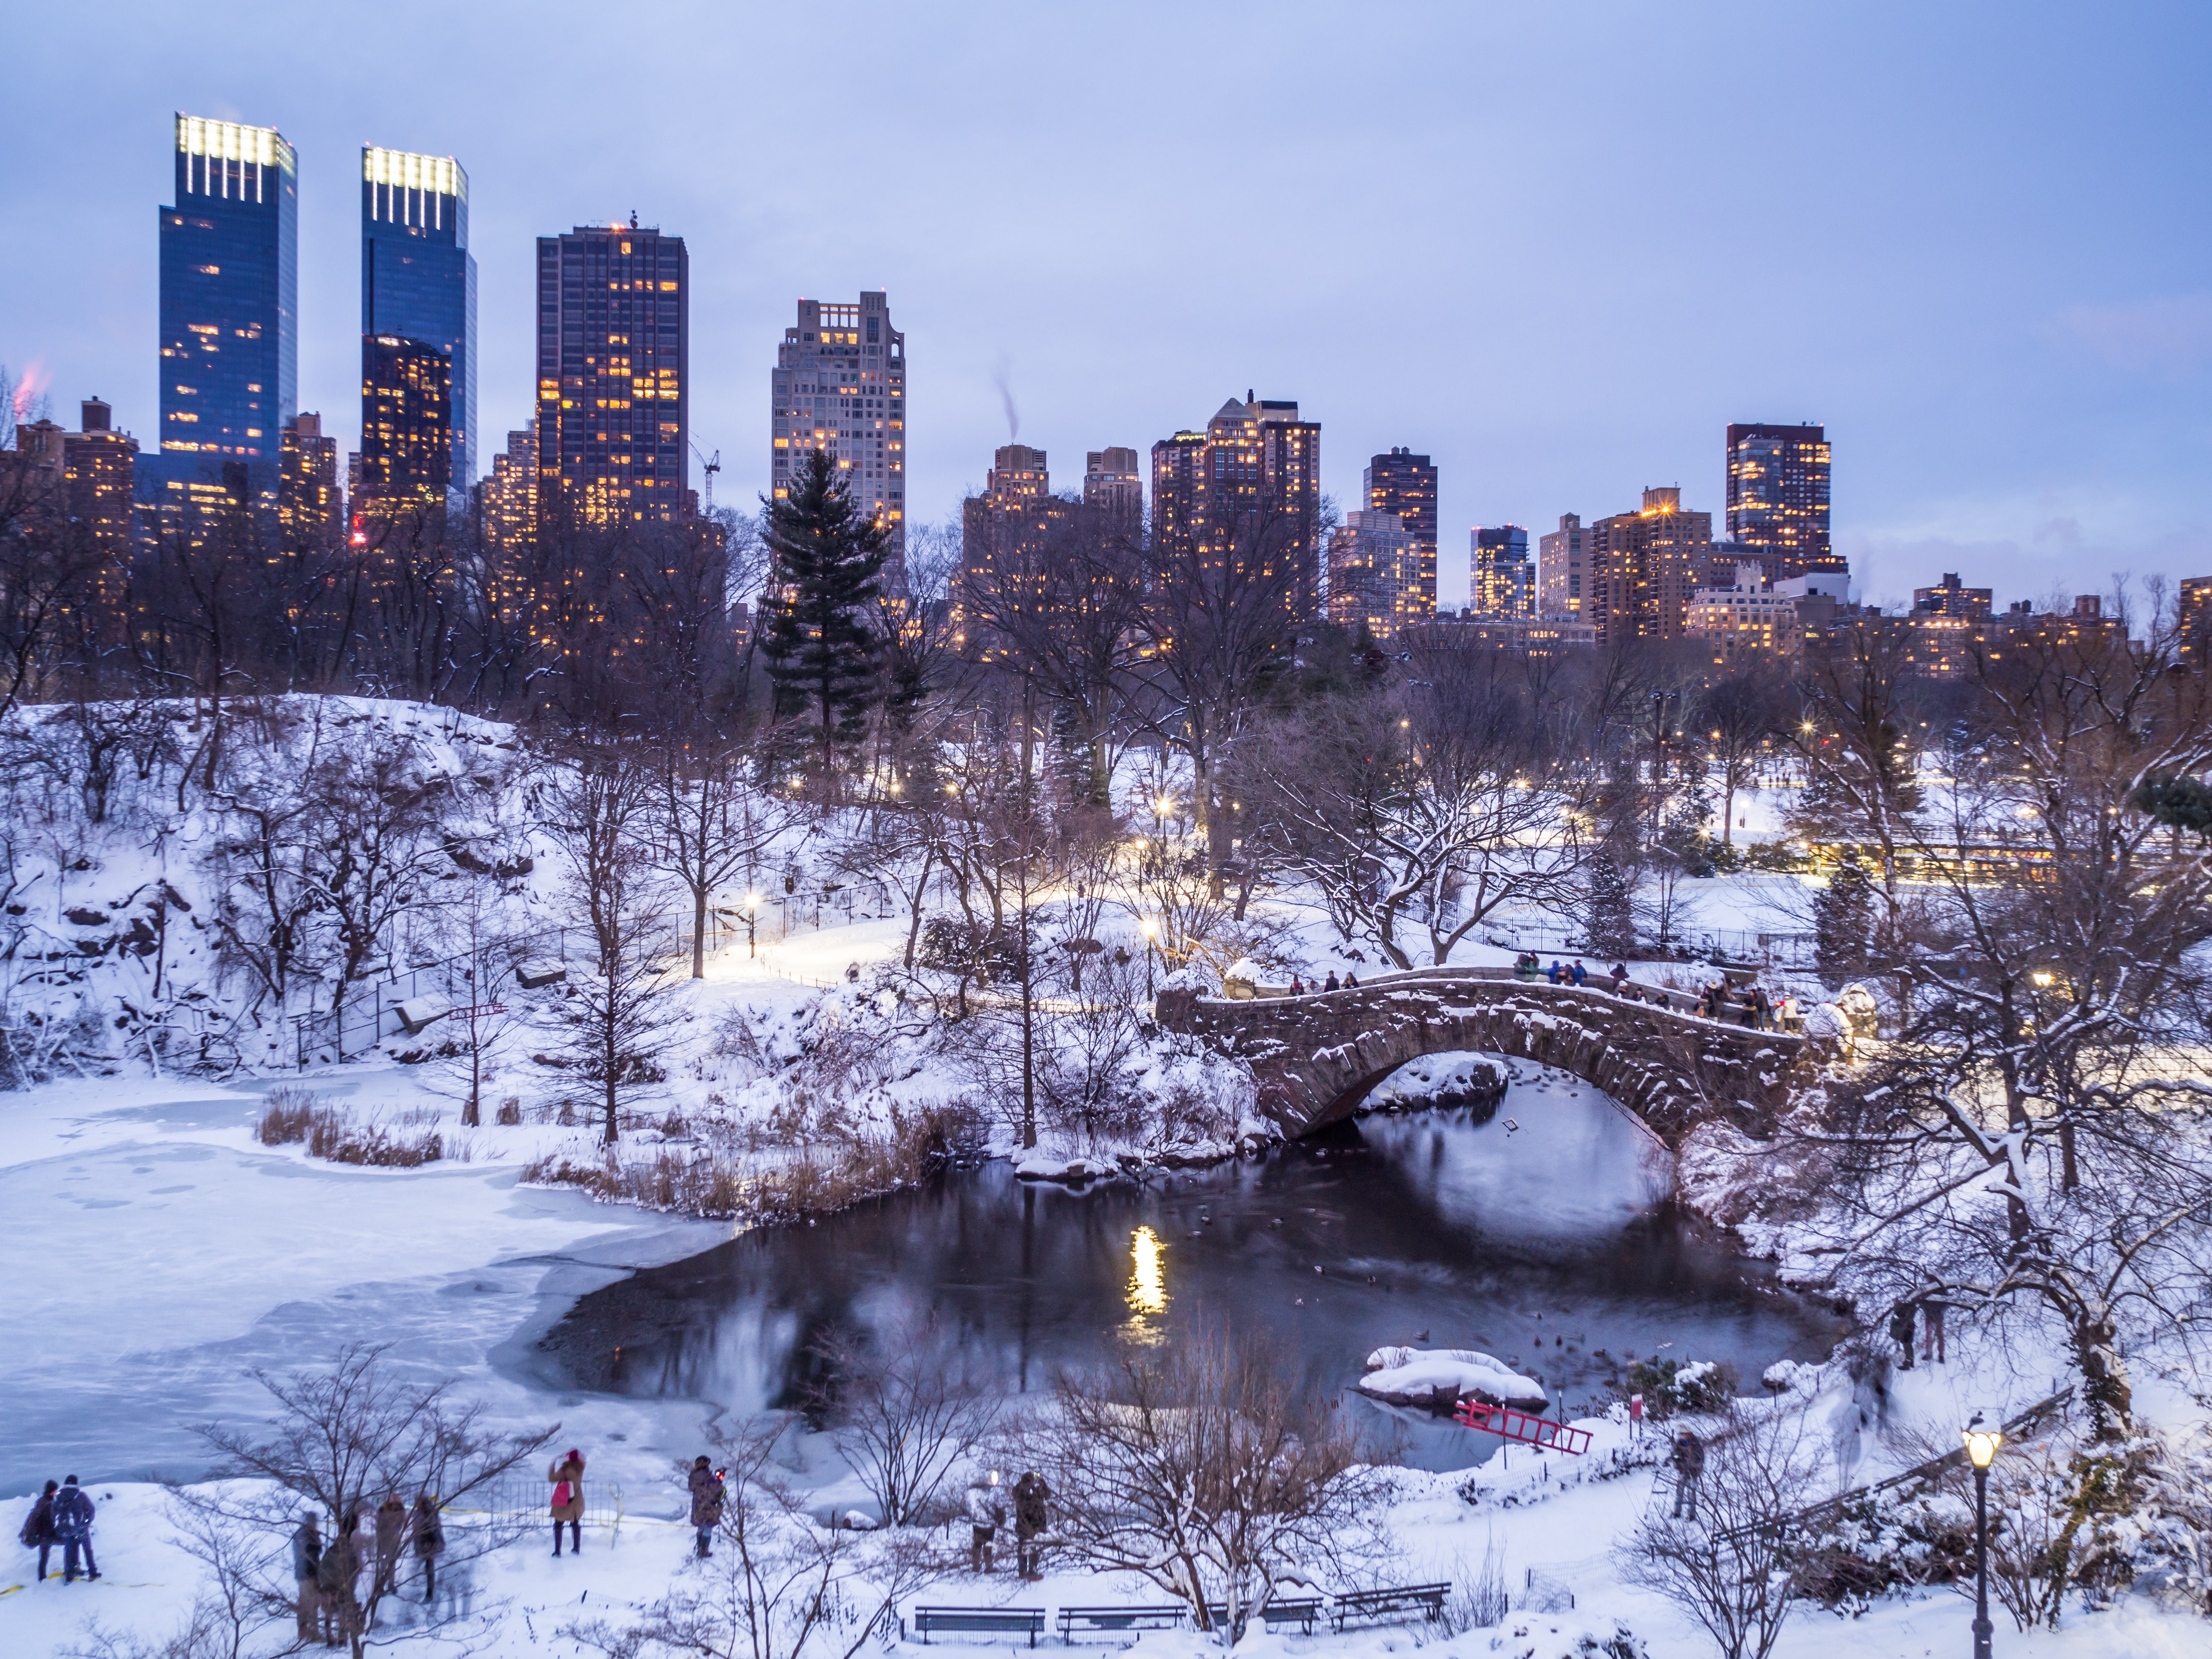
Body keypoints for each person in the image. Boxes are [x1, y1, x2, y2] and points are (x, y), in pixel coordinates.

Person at [317, 1512, 362, 1648]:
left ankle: (329, 1637)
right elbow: (355, 1567)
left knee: (329, 1609)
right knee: (343, 1608)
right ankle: (343, 1638)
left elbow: (323, 1563)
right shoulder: (351, 1546)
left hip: (327, 1579)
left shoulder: (334, 1546)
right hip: (342, 1580)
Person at [52, 1475, 96, 1584]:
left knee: (69, 1551)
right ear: (76, 1484)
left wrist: (59, 1526)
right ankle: (93, 1572)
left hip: (66, 1529)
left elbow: (53, 1514)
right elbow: (91, 1510)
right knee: (87, 1550)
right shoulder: (81, 1496)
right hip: (81, 1528)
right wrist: (88, 1522)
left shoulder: (58, 1497)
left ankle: (69, 1575)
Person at [1012, 1470, 1051, 1581]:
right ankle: (1032, 1572)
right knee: (1033, 1547)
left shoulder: (1018, 1490)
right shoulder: (1032, 1491)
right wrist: (1041, 1481)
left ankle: (1022, 1572)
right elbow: (1047, 1495)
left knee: (1023, 1547)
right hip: (1034, 1525)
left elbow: (1047, 1495)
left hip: (1022, 1525)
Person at [291, 1512, 325, 1640]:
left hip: (301, 1573)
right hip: (309, 1573)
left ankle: (303, 1632)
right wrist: (317, 1539)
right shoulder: (308, 1535)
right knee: (313, 1603)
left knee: (304, 1603)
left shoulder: (298, 1534)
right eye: (316, 1522)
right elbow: (314, 1551)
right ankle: (313, 1633)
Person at [549, 1447, 586, 1555]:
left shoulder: (564, 1471)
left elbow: (551, 1478)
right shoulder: (580, 1469)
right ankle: (576, 1549)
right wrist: (576, 1453)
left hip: (564, 1502)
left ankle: (557, 1551)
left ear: (568, 1459)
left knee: (558, 1525)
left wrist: (552, 1464)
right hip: (577, 1503)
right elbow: (584, 1459)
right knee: (575, 1524)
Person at [19, 1479, 57, 1585]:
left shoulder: (41, 1500)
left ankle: (42, 1578)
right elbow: (48, 1522)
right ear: (52, 1491)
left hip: (39, 1534)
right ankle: (71, 1570)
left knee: (43, 1558)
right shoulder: (49, 1504)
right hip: (46, 1535)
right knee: (69, 1543)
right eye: (55, 1490)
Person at [965, 1471, 1004, 1573]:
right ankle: (988, 1567)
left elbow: (968, 1507)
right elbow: (998, 1507)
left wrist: (974, 1516)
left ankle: (976, 1566)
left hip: (977, 1523)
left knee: (977, 1544)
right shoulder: (991, 1493)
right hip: (989, 1524)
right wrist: (1001, 1521)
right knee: (988, 1545)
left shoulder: (972, 1492)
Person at [688, 1455, 726, 1559]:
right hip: (708, 1505)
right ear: (706, 1464)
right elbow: (718, 1491)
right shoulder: (708, 1478)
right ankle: (704, 1551)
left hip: (697, 1505)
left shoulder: (693, 1476)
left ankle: (700, 1549)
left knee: (701, 1526)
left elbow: (692, 1488)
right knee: (708, 1527)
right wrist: (719, 1479)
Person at [411, 1494, 443, 1603]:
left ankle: (429, 1593)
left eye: (417, 1503)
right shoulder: (428, 1511)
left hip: (429, 1544)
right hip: (426, 1543)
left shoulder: (427, 1513)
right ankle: (428, 1590)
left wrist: (424, 1543)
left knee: (430, 1566)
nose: (416, 1505)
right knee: (428, 1565)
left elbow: (429, 1528)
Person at [1669, 1430, 1706, 1521]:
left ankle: (1691, 1515)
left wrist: (1689, 1462)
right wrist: (1678, 1459)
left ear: (1688, 1435)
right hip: (1683, 1471)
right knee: (1679, 1492)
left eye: (1683, 1434)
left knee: (1691, 1494)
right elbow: (1675, 1456)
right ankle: (1677, 1513)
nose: (1681, 1436)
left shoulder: (1695, 1444)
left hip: (1693, 1472)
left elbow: (1699, 1459)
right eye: (1680, 1435)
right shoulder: (1679, 1444)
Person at [373, 1494, 406, 1597]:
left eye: (397, 1503)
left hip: (394, 1540)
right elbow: (378, 1525)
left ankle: (391, 1584)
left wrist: (396, 1528)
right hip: (383, 1540)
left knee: (392, 1563)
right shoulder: (383, 1510)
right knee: (382, 1564)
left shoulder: (401, 1510)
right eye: (394, 1503)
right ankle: (380, 1585)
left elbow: (403, 1523)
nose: (396, 1506)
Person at [1888, 1298, 1917, 1370]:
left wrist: (1896, 1320)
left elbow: (1906, 1318)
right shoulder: (1907, 1307)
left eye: (1896, 1302)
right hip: (1908, 1327)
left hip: (1907, 1327)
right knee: (1908, 1344)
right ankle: (1911, 1362)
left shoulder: (1907, 1307)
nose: (1895, 1304)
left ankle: (1908, 1364)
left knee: (1907, 1345)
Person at [1921, 1299, 1948, 1365]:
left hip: (1938, 1319)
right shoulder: (1928, 1292)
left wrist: (1939, 1312)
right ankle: (1929, 1354)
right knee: (1928, 1337)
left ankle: (1941, 1356)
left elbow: (1947, 1305)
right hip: (1929, 1318)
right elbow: (1922, 1303)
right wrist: (1927, 1312)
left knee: (1940, 1337)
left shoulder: (1943, 1294)